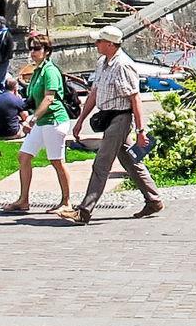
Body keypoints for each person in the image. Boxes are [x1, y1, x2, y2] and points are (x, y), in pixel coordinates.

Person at [69, 26, 163, 223]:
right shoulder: (102, 62)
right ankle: (153, 200)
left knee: (101, 163)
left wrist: (141, 131)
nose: (96, 44)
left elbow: (135, 98)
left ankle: (84, 211)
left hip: (121, 119)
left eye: (99, 41)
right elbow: (94, 92)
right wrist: (80, 120)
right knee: (131, 161)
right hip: (108, 117)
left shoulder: (123, 65)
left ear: (110, 44)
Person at [8, 35, 75, 215]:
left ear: (47, 51)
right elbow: (34, 98)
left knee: (56, 161)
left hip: (54, 120)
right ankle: (23, 200)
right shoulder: (37, 70)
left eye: (37, 49)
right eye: (31, 48)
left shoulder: (50, 71)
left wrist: (32, 119)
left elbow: (49, 98)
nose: (33, 52)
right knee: (24, 156)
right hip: (42, 121)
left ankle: (66, 202)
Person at [0, 74, 28, 140]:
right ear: (15, 88)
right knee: (29, 120)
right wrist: (19, 99)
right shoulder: (16, 99)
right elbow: (25, 117)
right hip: (11, 134)